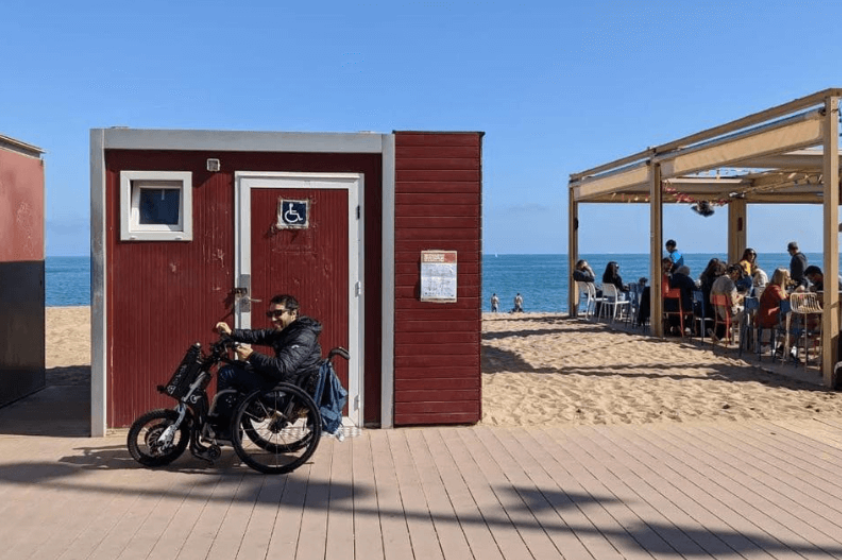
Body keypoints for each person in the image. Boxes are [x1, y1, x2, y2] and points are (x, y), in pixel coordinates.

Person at [212, 294, 323, 439]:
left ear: (293, 313)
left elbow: (283, 368)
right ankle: (232, 421)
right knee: (239, 366)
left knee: (228, 373)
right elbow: (261, 335)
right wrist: (232, 333)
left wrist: (252, 356)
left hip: (285, 395)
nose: (273, 318)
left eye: (278, 313)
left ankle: (227, 430)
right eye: (270, 314)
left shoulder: (303, 335)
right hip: (284, 385)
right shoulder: (291, 330)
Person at [710, 263, 745, 339]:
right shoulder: (729, 282)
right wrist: (741, 297)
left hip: (717, 311)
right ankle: (743, 340)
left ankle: (719, 335)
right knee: (745, 313)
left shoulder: (718, 279)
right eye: (738, 276)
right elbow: (731, 301)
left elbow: (711, 298)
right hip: (727, 314)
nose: (737, 279)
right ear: (735, 273)